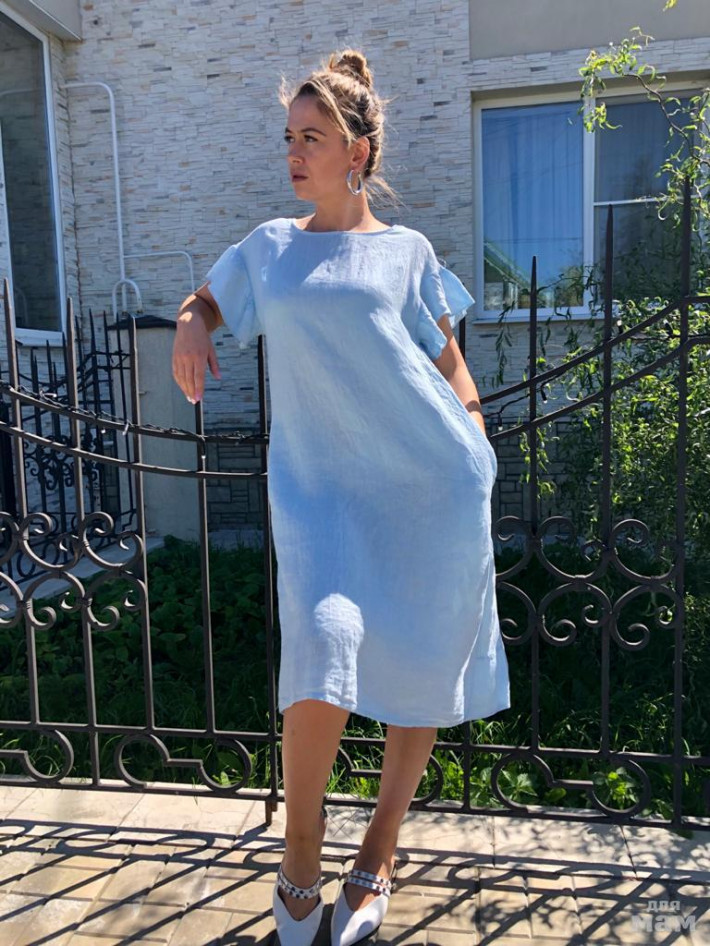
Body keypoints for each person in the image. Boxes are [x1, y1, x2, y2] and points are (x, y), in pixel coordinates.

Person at [172, 47, 510, 946]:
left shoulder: (407, 253)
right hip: (321, 495)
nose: (293, 153)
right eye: (289, 137)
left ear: (356, 152)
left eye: (312, 138)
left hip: (424, 485)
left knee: (421, 654)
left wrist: (475, 441)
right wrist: (191, 324)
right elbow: (209, 300)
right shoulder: (269, 248)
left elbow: (448, 364)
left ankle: (380, 849)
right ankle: (300, 854)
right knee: (323, 646)